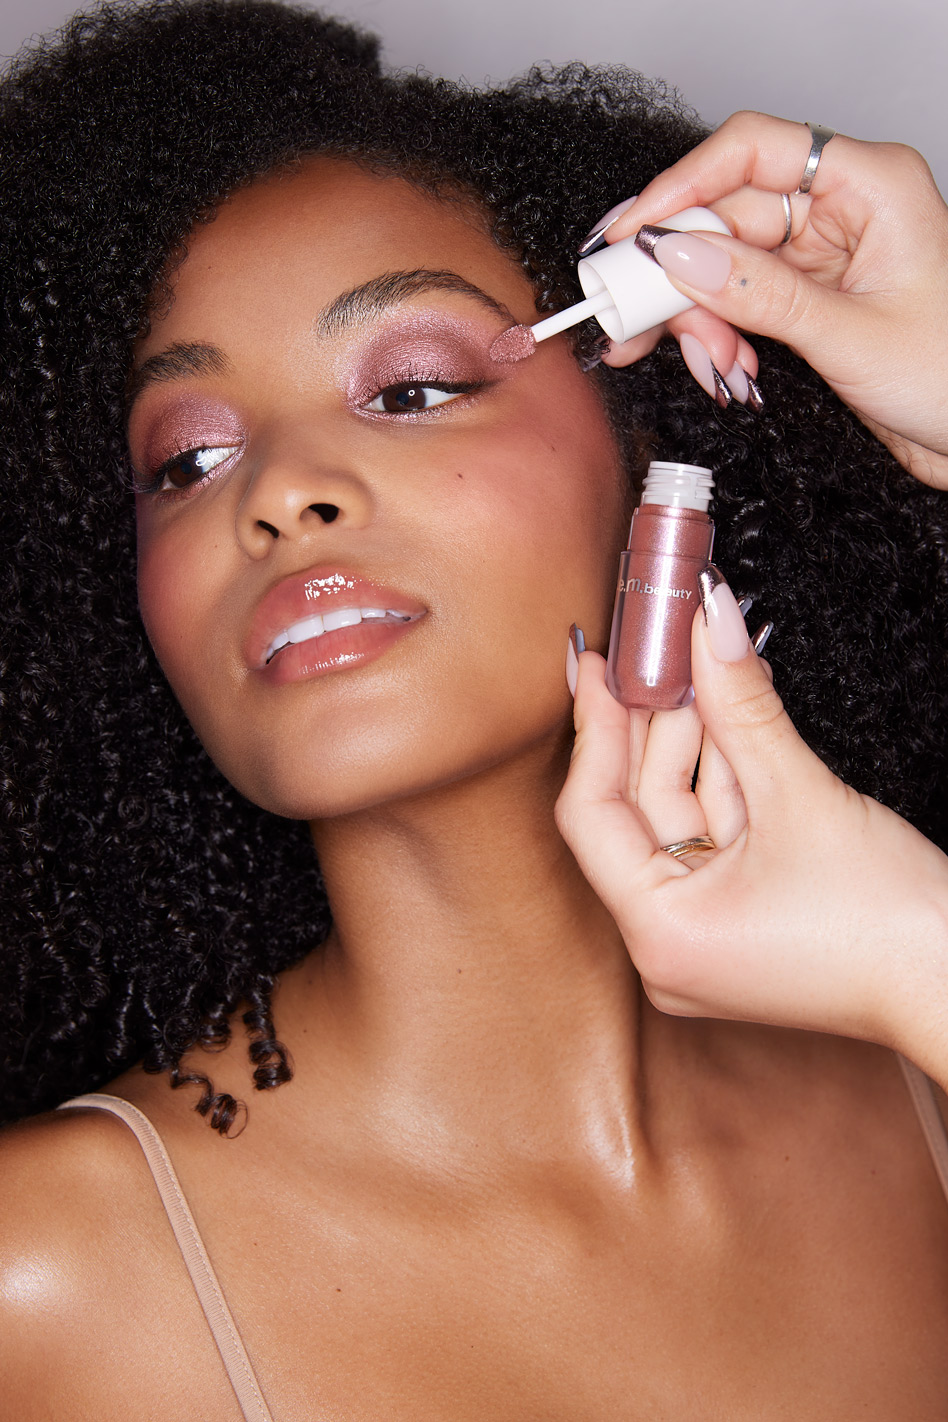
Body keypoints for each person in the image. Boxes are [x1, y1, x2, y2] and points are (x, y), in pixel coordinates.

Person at [2, 3, 948, 1415]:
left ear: (652, 457)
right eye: (188, 462)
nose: (280, 492)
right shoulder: (45, 1276)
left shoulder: (920, 1067)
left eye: (413, 387)